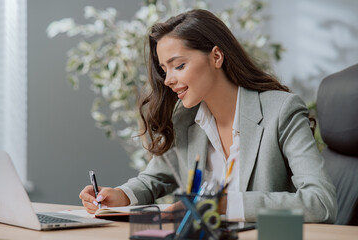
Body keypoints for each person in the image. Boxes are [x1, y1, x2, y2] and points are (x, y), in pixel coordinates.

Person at [79, 9, 337, 223]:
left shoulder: (280, 111)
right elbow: (154, 178)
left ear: (216, 56)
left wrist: (222, 204)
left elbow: (320, 202)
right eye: (164, 69)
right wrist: (121, 196)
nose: (168, 80)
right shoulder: (185, 119)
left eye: (179, 66)